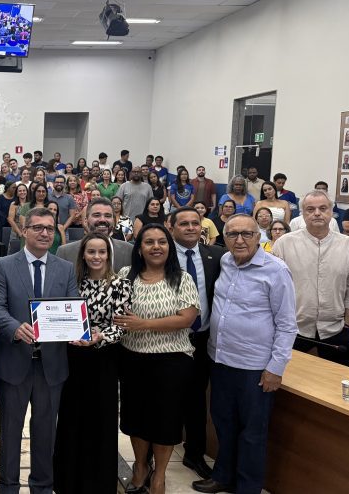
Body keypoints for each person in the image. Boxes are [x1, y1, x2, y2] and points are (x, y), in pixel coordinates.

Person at [192, 214, 297, 494]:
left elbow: (287, 324)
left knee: (252, 432)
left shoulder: (276, 270)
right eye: (233, 234)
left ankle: (248, 488)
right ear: (224, 238)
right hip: (220, 360)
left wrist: (276, 368)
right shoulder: (226, 261)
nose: (239, 240)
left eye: (247, 234)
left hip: (255, 368)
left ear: (258, 237)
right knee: (224, 424)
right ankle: (223, 476)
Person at [0, 207, 79, 494]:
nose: (44, 233)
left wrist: (76, 328)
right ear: (24, 231)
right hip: (13, 362)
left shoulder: (65, 268)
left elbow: (73, 307)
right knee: (10, 431)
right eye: (37, 227)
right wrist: (15, 327)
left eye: (49, 228)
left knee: (46, 432)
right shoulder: (4, 265)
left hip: (51, 366)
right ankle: (8, 487)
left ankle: (42, 486)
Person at [115, 223, 199, 494]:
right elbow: (116, 312)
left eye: (162, 242)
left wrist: (144, 324)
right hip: (132, 359)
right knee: (135, 418)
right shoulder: (126, 275)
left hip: (171, 361)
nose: (156, 247)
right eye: (149, 242)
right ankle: (141, 466)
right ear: (139, 248)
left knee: (166, 420)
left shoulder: (182, 278)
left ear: (169, 247)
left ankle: (159, 475)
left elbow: (186, 318)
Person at [53, 233, 132, 494]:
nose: (96, 257)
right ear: (83, 255)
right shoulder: (73, 282)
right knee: (71, 417)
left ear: (109, 255)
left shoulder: (120, 284)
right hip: (74, 357)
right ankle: (68, 480)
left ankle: (98, 483)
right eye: (91, 252)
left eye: (101, 252)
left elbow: (122, 325)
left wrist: (99, 337)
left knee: (101, 419)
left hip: (103, 359)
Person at [168, 207, 227, 481]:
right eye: (184, 224)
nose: (191, 228)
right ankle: (155, 455)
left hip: (202, 338)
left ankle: (194, 453)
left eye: (195, 223)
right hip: (168, 338)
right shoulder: (161, 253)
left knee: (196, 399)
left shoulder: (216, 256)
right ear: (172, 227)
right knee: (166, 398)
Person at [273, 191, 349, 366]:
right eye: (310, 209)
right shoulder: (284, 244)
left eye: (323, 208)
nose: (317, 213)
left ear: (331, 212)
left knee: (337, 378)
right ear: (302, 213)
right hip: (293, 329)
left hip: (336, 330)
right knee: (287, 377)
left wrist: (348, 327)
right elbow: (274, 289)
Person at [58, 197, 133, 269]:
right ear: (86, 220)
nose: (102, 219)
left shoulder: (129, 251)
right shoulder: (65, 253)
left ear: (113, 221)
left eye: (107, 216)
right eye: (97, 215)